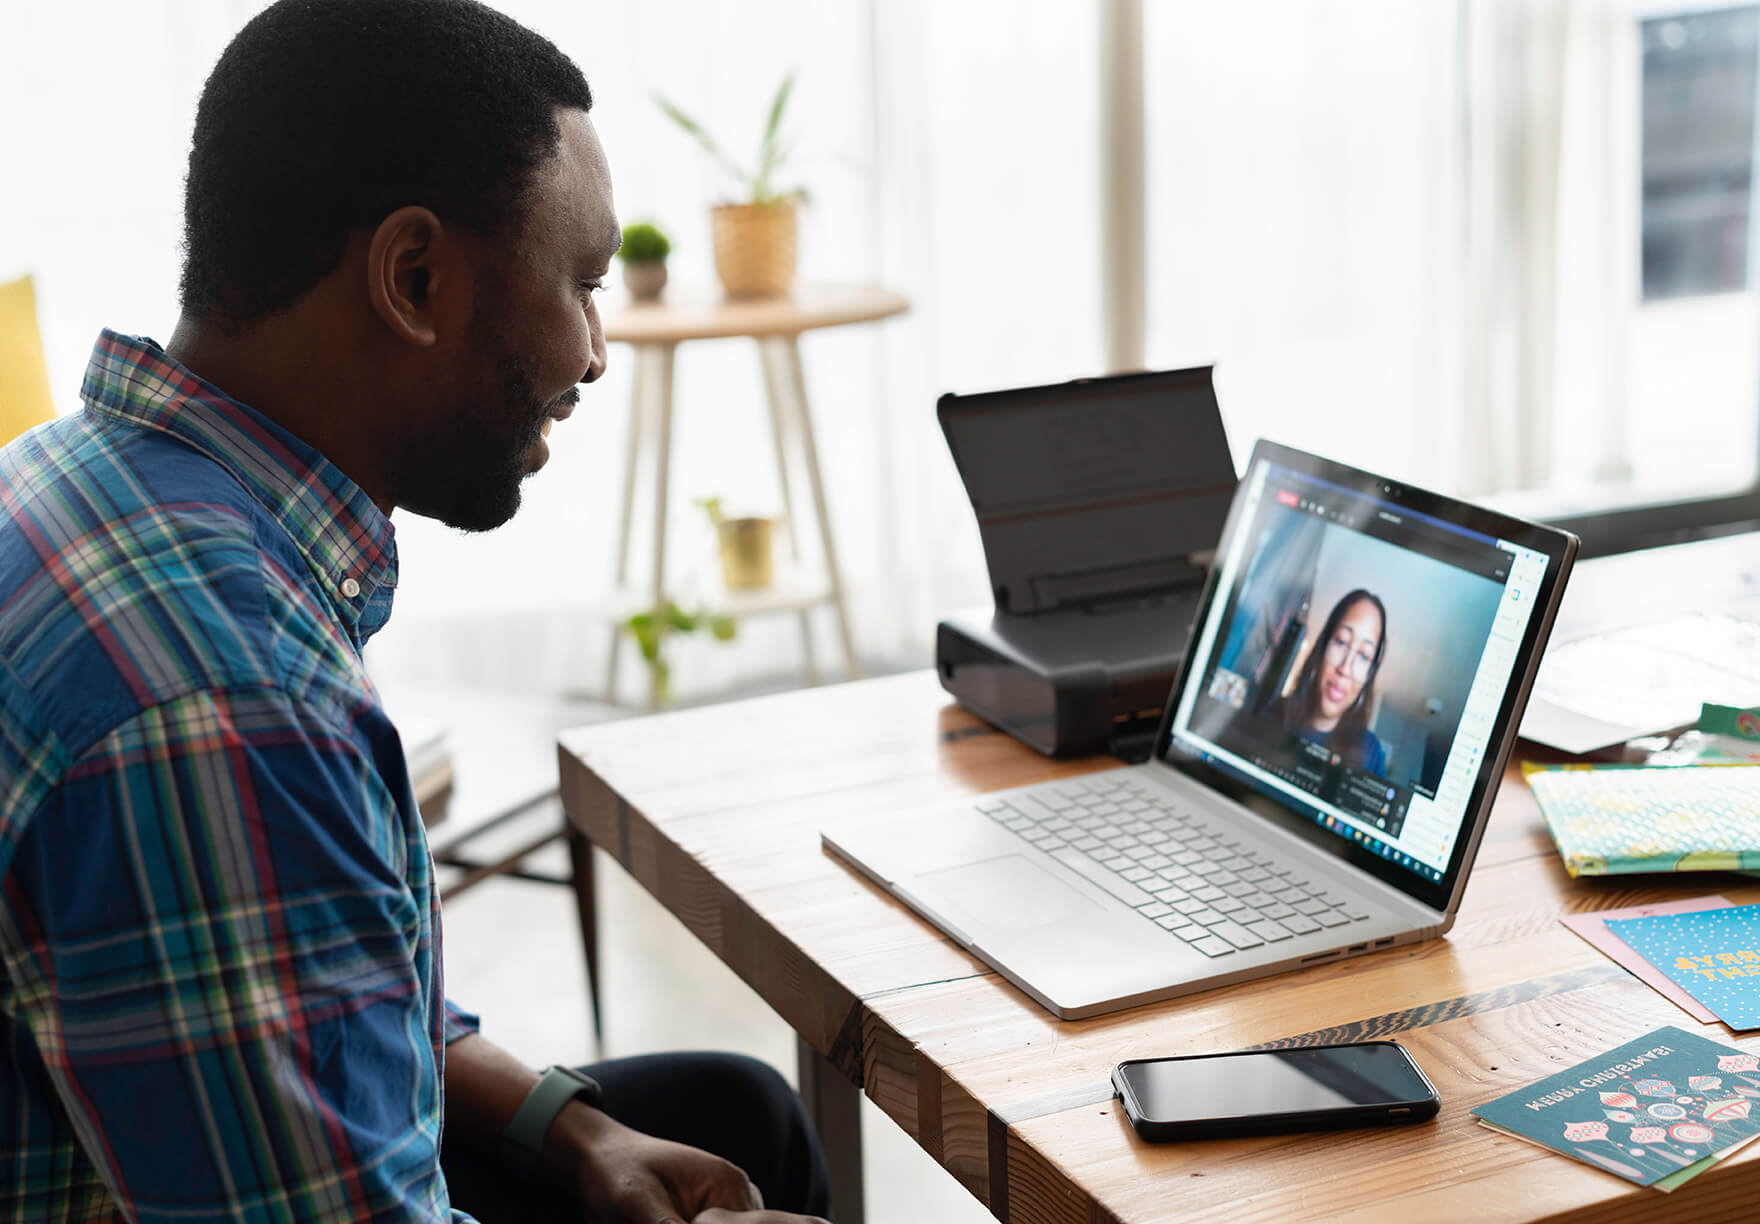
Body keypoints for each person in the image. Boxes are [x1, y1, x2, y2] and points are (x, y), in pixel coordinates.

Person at [0, 2, 831, 1221]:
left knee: (730, 1111)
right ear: (413, 279)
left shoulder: (83, 483)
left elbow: (323, 987)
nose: (595, 352)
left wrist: (573, 1132)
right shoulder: (229, 695)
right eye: (579, 285)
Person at [1266, 589, 1389, 775]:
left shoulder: (1371, 753)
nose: (1345, 669)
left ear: (1369, 676)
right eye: (1341, 642)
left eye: (1364, 655)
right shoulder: (1273, 713)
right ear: (1323, 646)